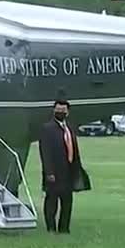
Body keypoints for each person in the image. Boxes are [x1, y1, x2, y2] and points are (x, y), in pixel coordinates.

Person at [38, 97, 91, 234]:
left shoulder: (69, 128)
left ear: (68, 112)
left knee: (67, 202)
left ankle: (64, 228)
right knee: (52, 202)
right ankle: (51, 228)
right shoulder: (47, 129)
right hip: (54, 173)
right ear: (53, 110)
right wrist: (49, 172)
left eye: (63, 110)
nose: (60, 112)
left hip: (69, 172)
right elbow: (45, 152)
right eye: (58, 109)